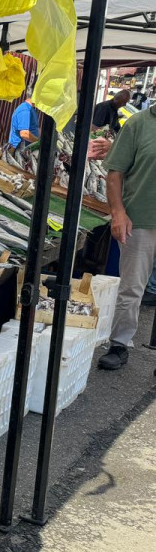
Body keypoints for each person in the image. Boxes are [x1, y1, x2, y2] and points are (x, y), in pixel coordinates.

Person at [98, 100, 156, 370]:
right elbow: (115, 173)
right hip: (141, 220)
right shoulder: (138, 123)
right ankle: (120, 344)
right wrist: (118, 212)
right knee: (132, 287)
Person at [5, 93, 40, 161]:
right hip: (18, 153)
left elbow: (35, 128)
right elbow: (24, 133)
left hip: (26, 152)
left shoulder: (31, 109)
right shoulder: (25, 110)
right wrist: (38, 142)